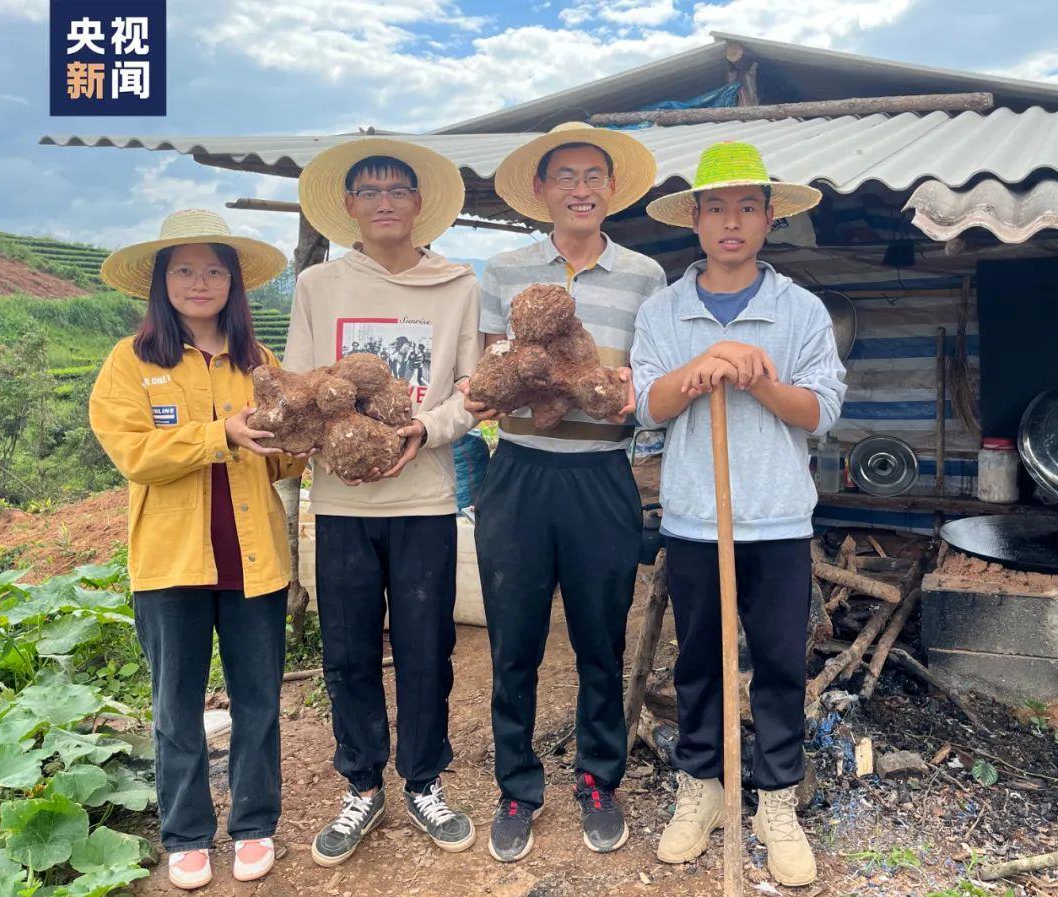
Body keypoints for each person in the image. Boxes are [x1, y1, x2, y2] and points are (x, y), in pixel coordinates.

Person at [630, 142, 847, 887]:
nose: (731, 222)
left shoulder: (799, 310)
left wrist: (757, 379)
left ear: (769, 217)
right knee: (699, 662)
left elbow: (820, 411)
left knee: (780, 664)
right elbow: (647, 407)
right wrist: (699, 369)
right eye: (716, 208)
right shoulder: (663, 310)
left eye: (747, 207)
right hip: (696, 518)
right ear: (694, 218)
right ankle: (703, 788)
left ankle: (776, 800)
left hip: (779, 519)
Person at [462, 122, 666, 862]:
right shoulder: (504, 270)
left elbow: (648, 385)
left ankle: (598, 778)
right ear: (542, 189)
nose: (580, 189)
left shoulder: (645, 276)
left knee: (600, 640)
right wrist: (507, 381)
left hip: (602, 475)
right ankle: (517, 787)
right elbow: (488, 376)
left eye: (593, 176)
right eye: (565, 177)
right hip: (518, 473)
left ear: (611, 188)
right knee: (513, 640)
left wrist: (618, 393)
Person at [89, 209, 305, 889]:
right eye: (184, 269)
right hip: (169, 561)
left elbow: (279, 459)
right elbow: (135, 455)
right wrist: (220, 434)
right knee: (175, 705)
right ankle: (185, 832)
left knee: (257, 700)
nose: (199, 282)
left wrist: (302, 442)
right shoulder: (130, 361)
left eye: (214, 270)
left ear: (234, 283)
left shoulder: (257, 361)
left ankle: (254, 822)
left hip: (253, 558)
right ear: (161, 281)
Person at [289, 138, 481, 866]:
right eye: (368, 191)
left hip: (425, 499)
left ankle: (425, 780)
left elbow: (471, 392)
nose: (384, 203)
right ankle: (362, 783)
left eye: (397, 190)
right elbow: (303, 387)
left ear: (418, 202)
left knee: (428, 648)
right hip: (342, 503)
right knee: (348, 650)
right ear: (349, 206)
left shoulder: (456, 285)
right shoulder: (319, 286)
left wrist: (426, 428)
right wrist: (316, 438)